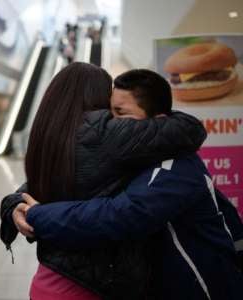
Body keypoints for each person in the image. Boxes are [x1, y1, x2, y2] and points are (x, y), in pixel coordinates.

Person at [14, 70, 243, 299]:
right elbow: (49, 182)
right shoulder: (129, 158)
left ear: (158, 123)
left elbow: (124, 214)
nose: (110, 124)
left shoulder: (177, 165)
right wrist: (14, 204)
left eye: (119, 114)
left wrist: (40, 215)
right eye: (107, 114)